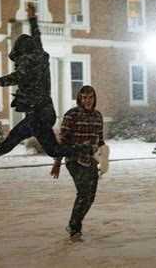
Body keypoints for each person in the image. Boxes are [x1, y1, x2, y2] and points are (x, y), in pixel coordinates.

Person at [0, 3, 91, 166]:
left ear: (20, 50)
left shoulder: (26, 60)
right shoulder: (41, 55)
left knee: (16, 134)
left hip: (37, 112)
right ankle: (90, 150)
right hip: (47, 111)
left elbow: (18, 76)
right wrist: (33, 19)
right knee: (53, 150)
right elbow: (37, 38)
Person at [50, 85, 107, 240]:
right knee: (83, 193)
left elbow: (100, 140)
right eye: (84, 97)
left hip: (91, 160)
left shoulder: (98, 116)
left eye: (90, 97)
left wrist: (103, 158)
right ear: (79, 99)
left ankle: (74, 223)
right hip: (74, 159)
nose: (87, 101)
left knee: (90, 197)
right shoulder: (71, 115)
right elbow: (62, 140)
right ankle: (75, 229)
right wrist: (57, 162)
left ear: (94, 98)